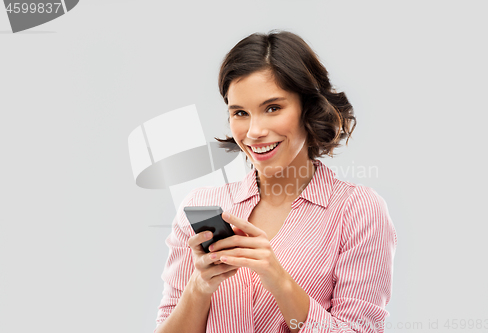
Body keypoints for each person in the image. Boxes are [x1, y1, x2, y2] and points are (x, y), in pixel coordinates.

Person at [154, 30, 397, 333]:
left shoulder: (358, 211)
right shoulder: (201, 206)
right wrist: (200, 286)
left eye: (273, 108)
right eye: (240, 113)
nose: (254, 131)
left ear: (309, 108)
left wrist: (277, 278)